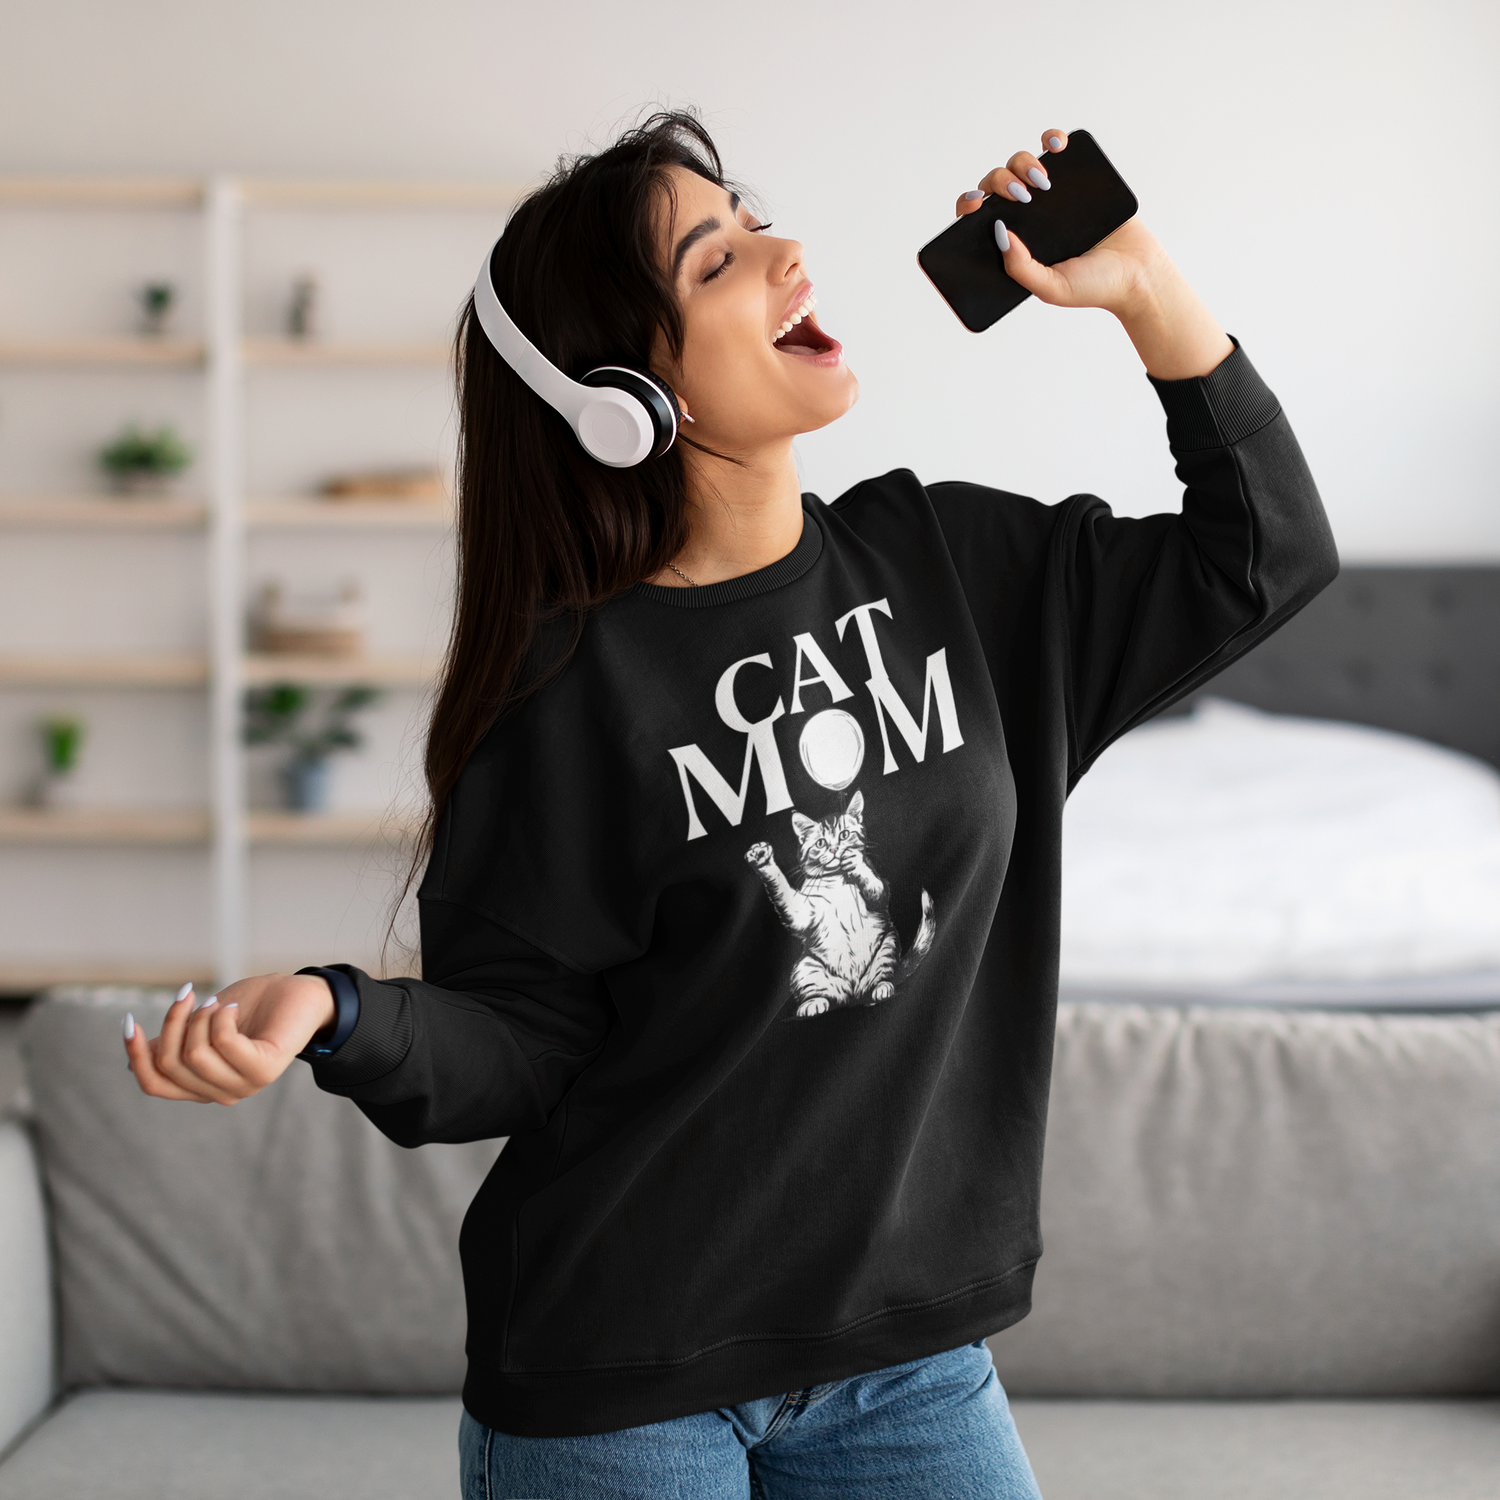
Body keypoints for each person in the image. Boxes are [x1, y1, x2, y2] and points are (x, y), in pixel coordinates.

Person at [123, 110, 1337, 1497]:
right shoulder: (569, 689)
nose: (787, 253)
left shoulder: (956, 567)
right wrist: (334, 1010)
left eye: (754, 221)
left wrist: (1139, 285)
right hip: (618, 1384)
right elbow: (525, 1037)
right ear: (624, 399)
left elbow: (1268, 556)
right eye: (719, 260)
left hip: (910, 1364)